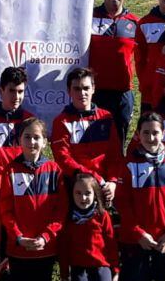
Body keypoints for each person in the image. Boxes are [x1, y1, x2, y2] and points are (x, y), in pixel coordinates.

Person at [115, 113, 165, 281]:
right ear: (138, 134)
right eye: (145, 133)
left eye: (155, 133)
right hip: (137, 237)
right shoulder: (129, 164)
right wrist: (138, 233)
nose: (151, 137)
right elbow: (123, 203)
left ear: (163, 133)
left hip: (163, 237)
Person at [0, 118, 66, 281]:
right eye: (27, 137)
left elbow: (60, 210)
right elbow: (5, 210)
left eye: (37, 137)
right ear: (19, 140)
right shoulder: (10, 170)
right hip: (18, 248)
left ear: (45, 142)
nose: (32, 142)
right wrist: (18, 236)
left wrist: (46, 237)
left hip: (46, 249)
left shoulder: (54, 170)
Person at [51, 68, 122, 206]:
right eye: (76, 89)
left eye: (86, 88)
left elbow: (115, 154)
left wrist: (112, 182)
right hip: (75, 186)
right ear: (69, 91)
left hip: (104, 186)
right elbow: (62, 158)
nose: (82, 93)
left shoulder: (106, 117)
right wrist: (92, 178)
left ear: (93, 89)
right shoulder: (61, 121)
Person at [88, 0, 139, 145]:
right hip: (95, 92)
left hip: (122, 93)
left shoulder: (135, 23)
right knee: (94, 141)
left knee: (119, 141)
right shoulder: (89, 18)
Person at [60, 174, 120, 281]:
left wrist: (115, 271)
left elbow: (111, 244)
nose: (83, 197)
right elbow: (64, 248)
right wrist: (64, 275)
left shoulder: (102, 216)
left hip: (100, 264)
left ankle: (102, 279)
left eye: (88, 193)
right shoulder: (69, 218)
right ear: (72, 194)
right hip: (79, 266)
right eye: (78, 193)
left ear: (95, 195)